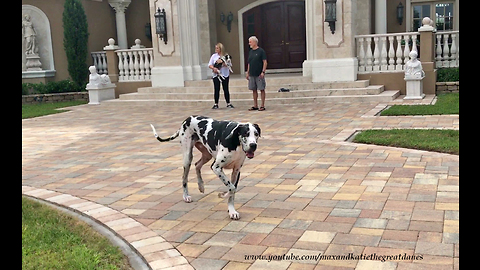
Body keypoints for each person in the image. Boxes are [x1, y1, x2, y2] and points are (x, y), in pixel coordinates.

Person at [208, 43, 234, 109]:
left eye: (217, 48)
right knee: (216, 89)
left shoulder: (226, 56)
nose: (216, 49)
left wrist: (223, 63)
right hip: (216, 74)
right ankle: (216, 103)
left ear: (220, 49)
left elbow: (229, 64)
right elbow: (210, 64)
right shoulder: (214, 56)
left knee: (226, 89)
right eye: (216, 48)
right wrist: (214, 68)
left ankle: (228, 103)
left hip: (225, 74)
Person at [246, 36, 267, 111]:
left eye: (250, 42)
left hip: (259, 74)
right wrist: (247, 72)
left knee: (261, 89)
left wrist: (263, 72)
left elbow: (265, 62)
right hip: (252, 74)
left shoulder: (261, 51)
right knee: (253, 89)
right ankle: (255, 105)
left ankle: (262, 105)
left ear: (255, 42)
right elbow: (249, 63)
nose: (249, 43)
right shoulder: (251, 52)